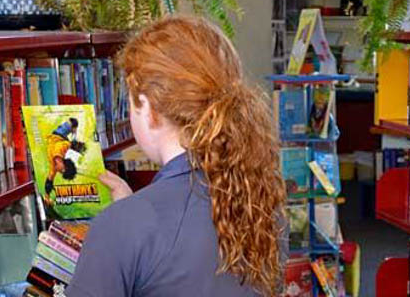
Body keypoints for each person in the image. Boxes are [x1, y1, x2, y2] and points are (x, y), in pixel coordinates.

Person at [66, 16, 288, 297]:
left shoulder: (121, 228)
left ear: (147, 108)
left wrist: (126, 220)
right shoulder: (263, 206)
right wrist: (131, 208)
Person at [44, 118, 82, 206]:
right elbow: (71, 146)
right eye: (62, 171)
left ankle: (72, 126)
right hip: (59, 135)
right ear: (64, 165)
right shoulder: (64, 146)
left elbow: (49, 181)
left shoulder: (54, 168)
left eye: (61, 172)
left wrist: (47, 197)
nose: (59, 171)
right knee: (71, 125)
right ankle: (72, 124)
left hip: (55, 136)